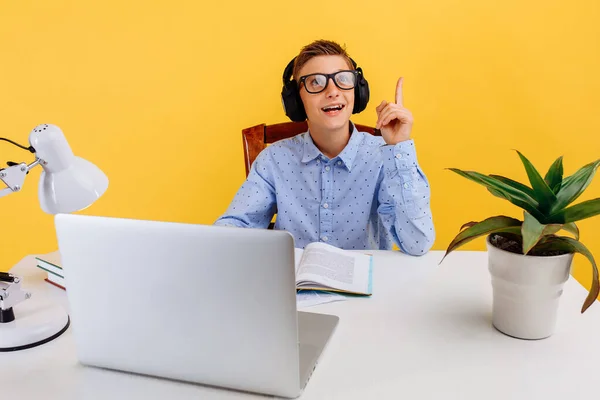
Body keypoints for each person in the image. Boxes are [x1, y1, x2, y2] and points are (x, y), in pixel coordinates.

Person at [214, 39, 434, 255]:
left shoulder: (384, 156)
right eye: (316, 83)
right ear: (296, 101)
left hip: (369, 288)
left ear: (357, 92)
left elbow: (418, 243)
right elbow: (234, 228)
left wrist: (399, 149)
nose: (332, 91)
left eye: (343, 79)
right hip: (295, 288)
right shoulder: (273, 159)